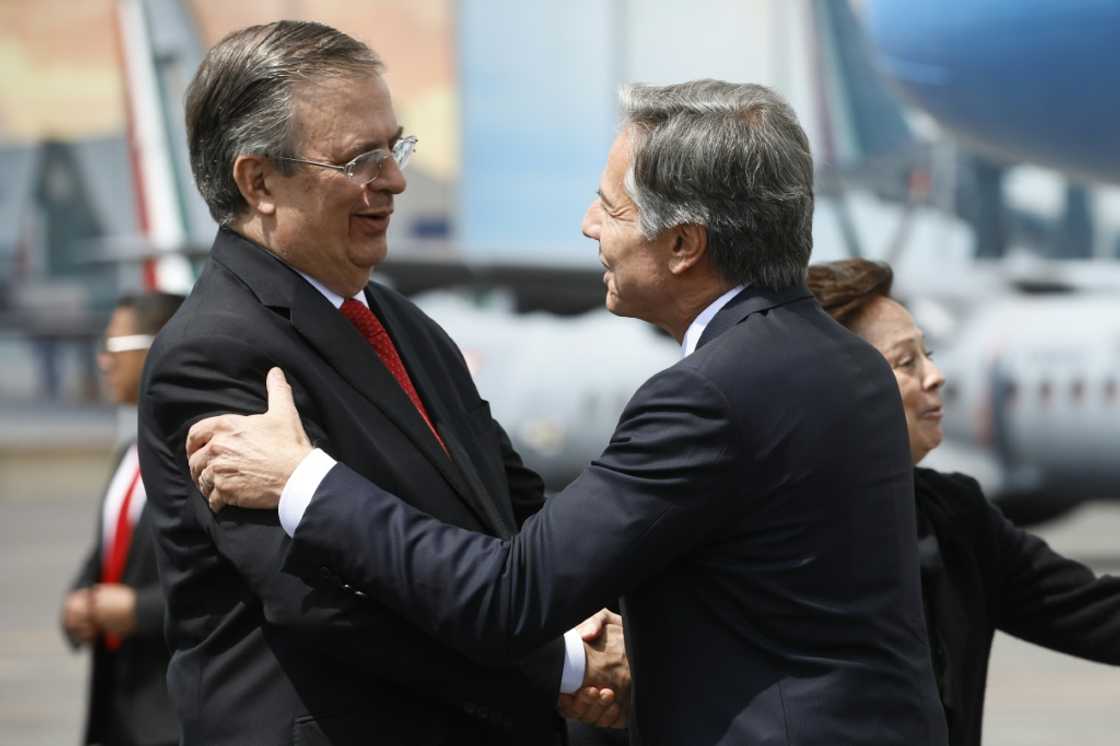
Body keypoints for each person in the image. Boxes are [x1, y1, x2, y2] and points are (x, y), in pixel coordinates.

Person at [188, 80, 950, 745]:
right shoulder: (850, 363)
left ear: (683, 244)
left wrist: (304, 481)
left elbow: (509, 597)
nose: (590, 225)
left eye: (611, 207)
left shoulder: (710, 395)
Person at [136, 20, 625, 746]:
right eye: (359, 159)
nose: (394, 180)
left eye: (394, 147)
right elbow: (321, 598)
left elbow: (510, 505)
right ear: (259, 182)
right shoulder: (213, 353)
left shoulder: (399, 323)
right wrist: (563, 664)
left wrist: (592, 616)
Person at [806, 257, 1120, 746]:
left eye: (928, 354)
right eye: (906, 362)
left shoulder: (956, 519)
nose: (936, 375)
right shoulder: (754, 527)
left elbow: (1097, 613)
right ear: (835, 386)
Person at [61, 291, 183, 746]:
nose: (103, 361)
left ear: (159, 347)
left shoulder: (199, 458)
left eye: (114, 346)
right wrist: (79, 600)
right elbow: (108, 552)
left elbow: (229, 583)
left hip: (173, 719)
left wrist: (136, 611)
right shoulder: (131, 453)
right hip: (115, 716)